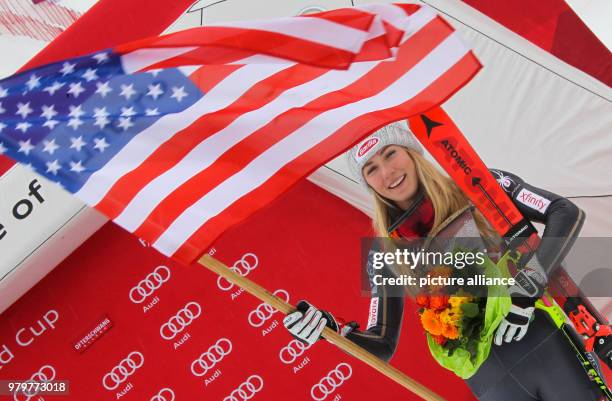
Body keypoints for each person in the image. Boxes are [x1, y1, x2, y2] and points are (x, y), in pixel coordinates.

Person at [282, 122, 603, 401]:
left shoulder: (479, 185)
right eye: (371, 169)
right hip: (490, 383)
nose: (387, 172)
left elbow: (565, 213)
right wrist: (330, 331)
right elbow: (382, 342)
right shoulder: (384, 252)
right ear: (368, 184)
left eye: (390, 153)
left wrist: (526, 293)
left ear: (412, 152)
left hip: (539, 339)